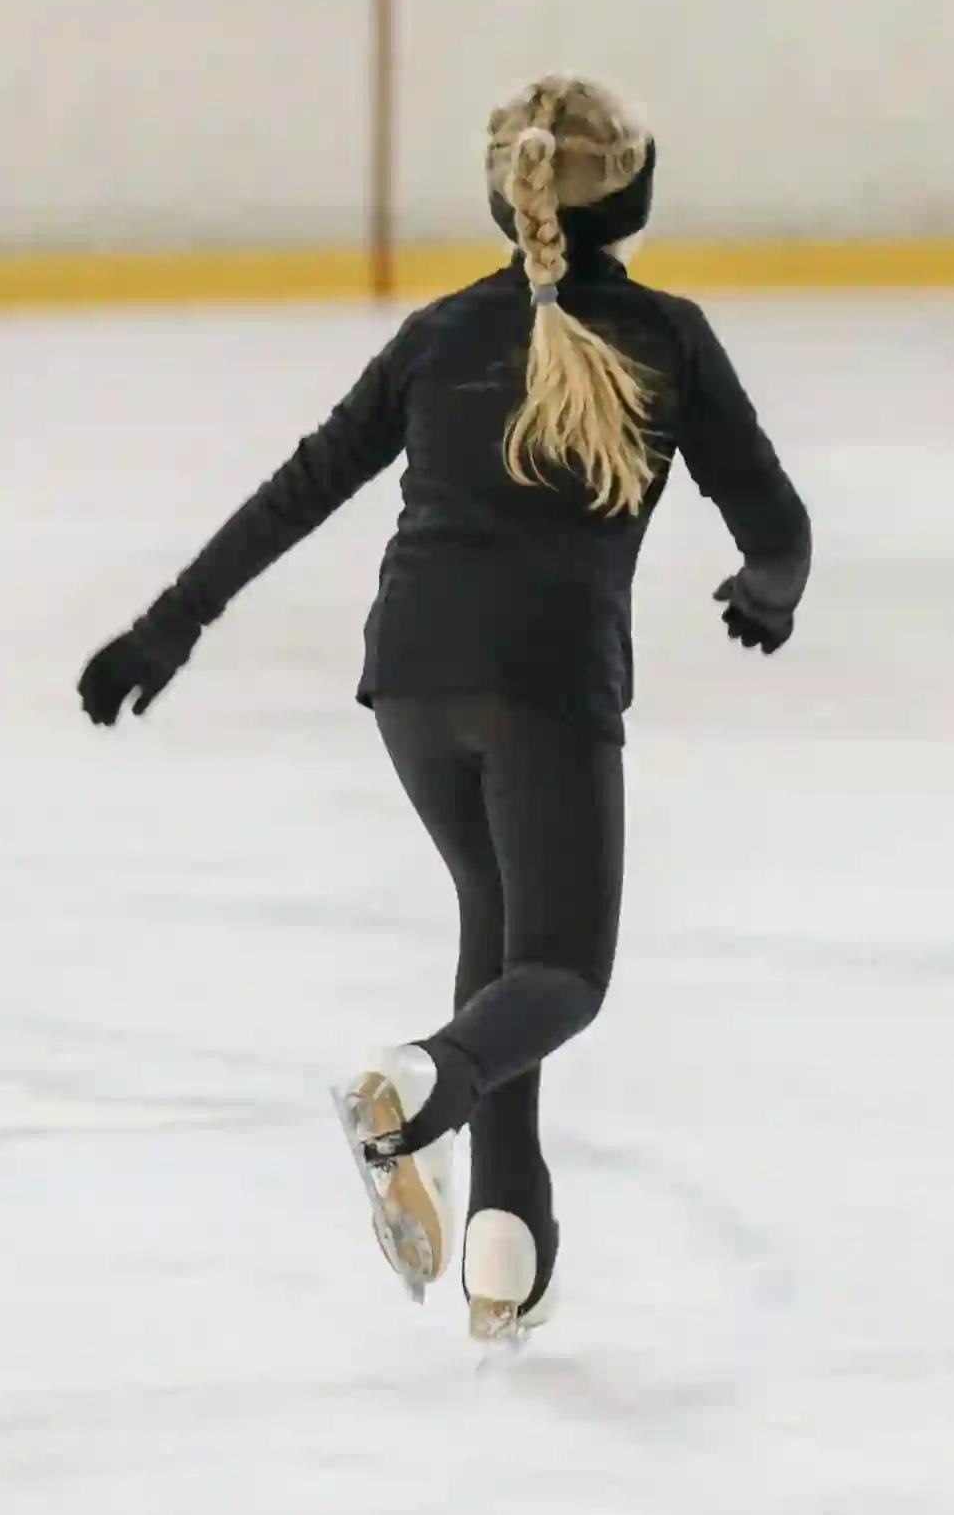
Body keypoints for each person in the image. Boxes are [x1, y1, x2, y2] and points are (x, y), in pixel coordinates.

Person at [77, 74, 812, 1340]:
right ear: (633, 194)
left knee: (504, 926)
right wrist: (767, 591)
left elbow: (299, 488)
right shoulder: (668, 336)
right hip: (546, 680)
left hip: (410, 676)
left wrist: (169, 627)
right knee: (567, 970)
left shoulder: (438, 334)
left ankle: (501, 1253)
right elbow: (779, 527)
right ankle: (423, 1090)